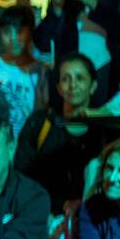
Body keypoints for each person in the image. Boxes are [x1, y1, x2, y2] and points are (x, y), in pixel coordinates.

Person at [15, 54, 106, 212]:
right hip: (42, 213)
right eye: (65, 79)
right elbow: (21, 176)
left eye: (80, 78)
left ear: (93, 86)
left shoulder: (104, 130)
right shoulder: (40, 124)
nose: (73, 85)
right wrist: (60, 204)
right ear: (58, 88)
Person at [0, 5, 49, 137]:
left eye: (19, 31)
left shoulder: (40, 71)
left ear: (30, 32)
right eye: (7, 32)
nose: (13, 38)